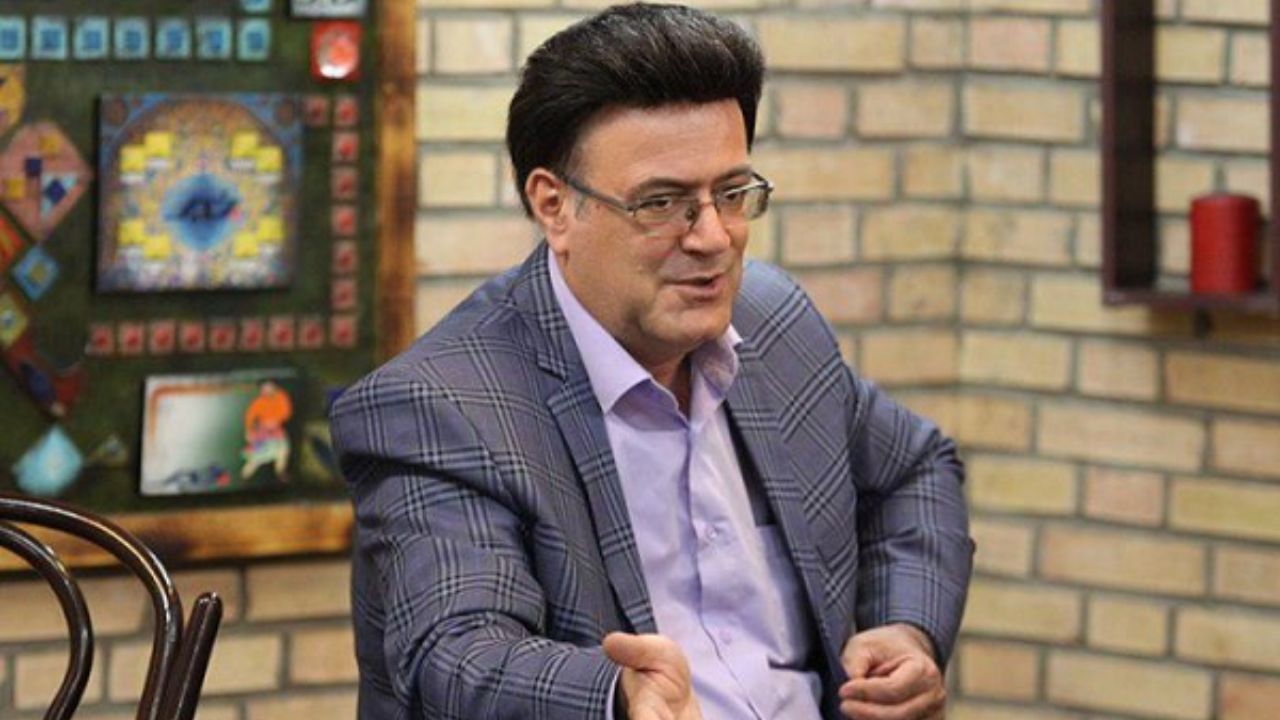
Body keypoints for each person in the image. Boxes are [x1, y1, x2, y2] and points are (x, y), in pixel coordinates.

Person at [330, 4, 974, 719]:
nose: (713, 238)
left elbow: (915, 468)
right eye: (662, 203)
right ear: (554, 206)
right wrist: (614, 696)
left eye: (732, 194)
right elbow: (457, 653)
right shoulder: (441, 404)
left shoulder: (775, 323)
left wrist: (905, 628)